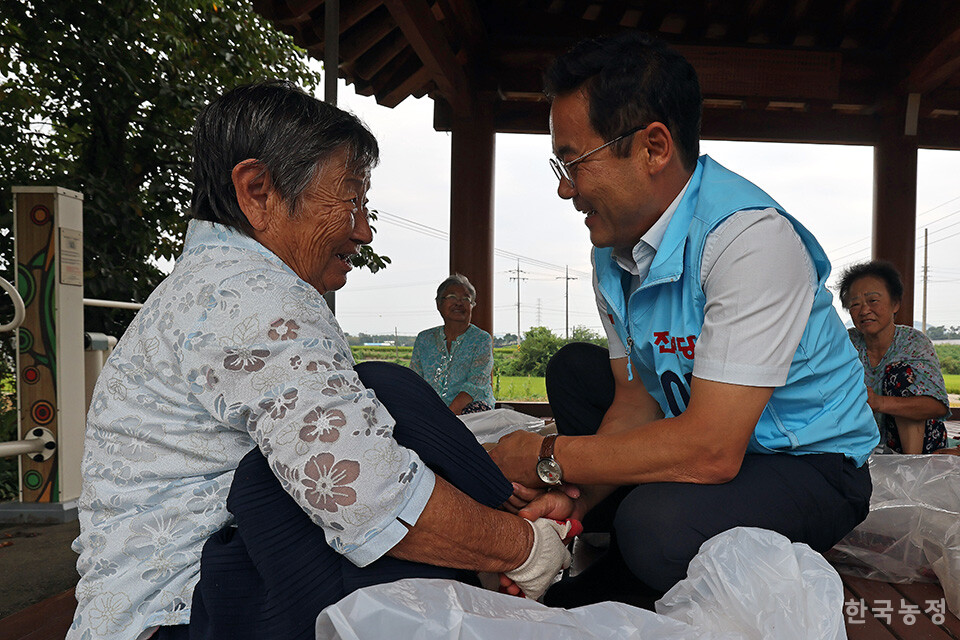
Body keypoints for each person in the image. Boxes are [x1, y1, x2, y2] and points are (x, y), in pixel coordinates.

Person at [68, 81, 573, 640]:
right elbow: (369, 501)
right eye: (351, 199)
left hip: (161, 610)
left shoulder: (211, 283)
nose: (362, 230)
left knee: (382, 397)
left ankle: (513, 509)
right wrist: (526, 550)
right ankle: (525, 517)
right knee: (379, 413)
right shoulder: (253, 296)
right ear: (257, 191)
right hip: (187, 619)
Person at [489, 32, 880, 609]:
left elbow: (713, 450)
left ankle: (637, 547)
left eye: (573, 162)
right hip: (705, 437)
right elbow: (634, 402)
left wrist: (550, 459)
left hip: (810, 466)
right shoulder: (611, 254)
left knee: (655, 527)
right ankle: (606, 530)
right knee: (577, 371)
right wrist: (572, 499)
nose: (565, 189)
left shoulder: (747, 239)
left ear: (653, 148)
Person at [839, 260, 950, 454]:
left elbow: (937, 407)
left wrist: (879, 402)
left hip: (917, 445)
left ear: (895, 304)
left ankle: (910, 467)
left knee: (898, 374)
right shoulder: (846, 342)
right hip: (864, 444)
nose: (864, 310)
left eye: (873, 301)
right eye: (855, 304)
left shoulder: (913, 342)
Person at [410, 274, 496, 415]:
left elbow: (474, 386)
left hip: (470, 411)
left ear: (472, 306)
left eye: (466, 299)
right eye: (452, 297)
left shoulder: (481, 339)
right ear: (439, 304)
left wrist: (445, 419)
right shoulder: (424, 339)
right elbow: (415, 382)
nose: (459, 303)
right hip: (431, 411)